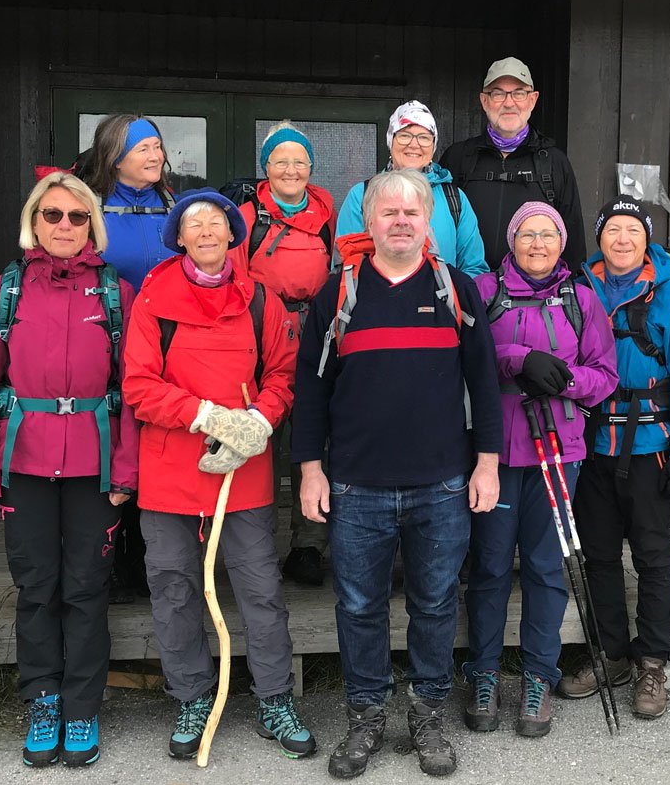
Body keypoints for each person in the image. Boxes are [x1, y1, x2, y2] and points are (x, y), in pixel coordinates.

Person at [293, 169, 501, 779]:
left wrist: (486, 464)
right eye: (390, 212)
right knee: (359, 606)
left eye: (414, 211)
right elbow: (311, 389)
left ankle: (428, 711)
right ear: (370, 220)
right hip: (357, 485)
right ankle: (366, 715)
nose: (402, 221)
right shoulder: (338, 293)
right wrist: (311, 470)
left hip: (441, 483)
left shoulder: (455, 289)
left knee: (435, 604)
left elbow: (485, 385)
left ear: (429, 220)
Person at [123, 188, 314, 761]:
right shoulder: (153, 300)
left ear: (233, 235)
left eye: (216, 223)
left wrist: (258, 419)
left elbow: (283, 372)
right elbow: (138, 385)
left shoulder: (261, 301)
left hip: (244, 472)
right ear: (178, 236)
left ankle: (275, 698)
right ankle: (191, 696)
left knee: (260, 590)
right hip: (170, 471)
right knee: (174, 589)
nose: (206, 231)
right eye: (193, 223)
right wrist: (204, 415)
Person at [0, 171, 140, 767]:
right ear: (33, 221)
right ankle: (42, 699)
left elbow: (130, 389)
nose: (65, 226)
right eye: (53, 215)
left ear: (92, 224)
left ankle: (82, 706)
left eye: (77, 217)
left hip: (94, 464)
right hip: (27, 461)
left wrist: (126, 471)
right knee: (38, 589)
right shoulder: (7, 290)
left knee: (89, 588)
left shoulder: (114, 292)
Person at [463, 202, 616, 738]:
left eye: (547, 235)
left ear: (561, 242)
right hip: (497, 453)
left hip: (559, 451)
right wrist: (518, 359)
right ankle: (482, 673)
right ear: (511, 240)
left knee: (548, 569)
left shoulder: (581, 298)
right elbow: (468, 353)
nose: (537, 244)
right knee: (489, 567)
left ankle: (537, 677)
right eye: (526, 234)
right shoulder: (483, 292)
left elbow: (605, 375)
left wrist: (566, 380)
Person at [558, 195, 670, 721]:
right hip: (592, 444)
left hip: (650, 448)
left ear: (647, 240)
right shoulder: (576, 287)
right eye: (613, 230)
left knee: (652, 558)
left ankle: (652, 662)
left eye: (633, 231)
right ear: (599, 238)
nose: (622, 240)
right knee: (598, 556)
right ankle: (612, 654)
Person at [226, 121, 335, 587]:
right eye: (280, 160)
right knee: (259, 439)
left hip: (317, 335)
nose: (291, 169)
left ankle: (308, 547)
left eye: (299, 160)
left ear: (311, 166)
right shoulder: (246, 216)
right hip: (261, 335)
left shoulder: (328, 214)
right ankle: (255, 546)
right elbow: (231, 283)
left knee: (315, 438)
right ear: (265, 167)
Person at [79, 113, 176, 604]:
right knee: (111, 443)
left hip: (165, 346)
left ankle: (145, 558)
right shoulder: (88, 208)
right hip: (104, 343)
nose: (156, 155)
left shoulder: (174, 205)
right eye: (145, 148)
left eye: (158, 146)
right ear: (115, 155)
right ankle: (108, 557)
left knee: (156, 445)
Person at [441, 57, 585, 270]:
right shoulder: (458, 157)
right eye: (498, 93)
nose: (509, 103)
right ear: (484, 101)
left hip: (535, 298)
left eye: (519, 93)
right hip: (469, 291)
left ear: (533, 100)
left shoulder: (554, 162)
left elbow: (572, 245)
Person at [338, 100, 488, 277]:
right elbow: (346, 264)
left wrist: (445, 296)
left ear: (433, 147)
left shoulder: (454, 198)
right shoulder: (362, 195)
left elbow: (474, 268)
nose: (414, 144)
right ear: (390, 141)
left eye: (424, 137)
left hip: (440, 302)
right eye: (404, 135)